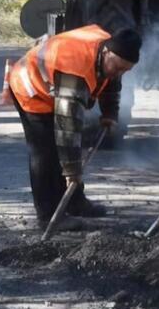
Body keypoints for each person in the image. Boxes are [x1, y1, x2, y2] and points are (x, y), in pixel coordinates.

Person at [9, 25, 142, 231]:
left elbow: (112, 81)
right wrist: (72, 171)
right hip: (31, 87)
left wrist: (109, 113)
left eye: (126, 69)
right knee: (45, 153)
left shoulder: (113, 51)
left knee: (68, 151)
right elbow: (67, 127)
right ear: (106, 52)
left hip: (54, 84)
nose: (119, 73)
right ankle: (47, 215)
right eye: (118, 67)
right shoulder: (76, 69)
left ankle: (75, 201)